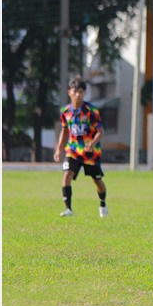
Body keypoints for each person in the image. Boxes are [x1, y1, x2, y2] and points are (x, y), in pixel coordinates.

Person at [53, 77, 109, 218]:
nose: (78, 94)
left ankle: (102, 204)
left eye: (81, 91)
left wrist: (92, 143)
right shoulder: (65, 111)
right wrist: (59, 149)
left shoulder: (91, 111)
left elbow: (100, 132)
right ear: (69, 92)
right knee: (67, 175)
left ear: (84, 93)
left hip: (90, 152)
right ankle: (68, 209)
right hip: (73, 150)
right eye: (75, 91)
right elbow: (65, 130)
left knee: (97, 180)